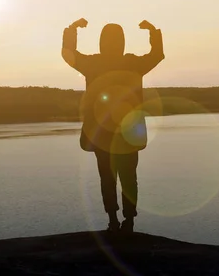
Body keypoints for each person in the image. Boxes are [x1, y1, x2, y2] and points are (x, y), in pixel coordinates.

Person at [61, 18, 165, 233]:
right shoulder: (132, 63)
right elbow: (157, 55)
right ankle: (127, 221)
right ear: (123, 42)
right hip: (127, 133)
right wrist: (153, 32)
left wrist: (72, 30)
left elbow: (68, 54)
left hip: (103, 134)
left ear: (101, 42)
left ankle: (113, 220)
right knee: (128, 178)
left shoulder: (94, 64)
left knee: (108, 178)